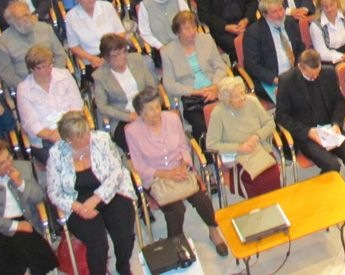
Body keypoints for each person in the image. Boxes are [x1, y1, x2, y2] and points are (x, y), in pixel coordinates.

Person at [125, 86, 228, 254]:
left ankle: (213, 231)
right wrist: (166, 174)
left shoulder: (172, 119)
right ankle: (176, 242)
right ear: (140, 113)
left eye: (157, 106)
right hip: (157, 177)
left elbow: (183, 147)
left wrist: (183, 165)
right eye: (150, 109)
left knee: (201, 199)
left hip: (180, 169)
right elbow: (138, 165)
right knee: (176, 209)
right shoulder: (132, 131)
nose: (157, 112)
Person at [276, 49, 345, 223]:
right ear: (300, 67)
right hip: (308, 134)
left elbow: (339, 101)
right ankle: (326, 197)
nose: (315, 78)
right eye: (311, 76)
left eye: (317, 74)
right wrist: (308, 132)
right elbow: (282, 116)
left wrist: (336, 124)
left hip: (331, 129)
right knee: (332, 165)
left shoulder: (328, 73)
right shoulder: (287, 81)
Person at [46, 110, 136, 275]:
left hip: (109, 191)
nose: (88, 137)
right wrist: (78, 207)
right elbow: (53, 191)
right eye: (81, 136)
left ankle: (123, 267)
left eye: (87, 131)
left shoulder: (102, 139)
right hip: (77, 201)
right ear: (68, 140)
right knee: (98, 244)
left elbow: (117, 172)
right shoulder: (56, 154)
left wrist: (96, 198)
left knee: (124, 234)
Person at [0, 138, 58, 275]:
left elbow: (39, 196)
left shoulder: (24, 167)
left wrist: (21, 183)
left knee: (27, 248)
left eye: (9, 157)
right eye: (2, 162)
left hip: (25, 220)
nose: (9, 163)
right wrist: (15, 226)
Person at [206, 76, 281, 198]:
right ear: (227, 99)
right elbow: (211, 144)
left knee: (273, 174)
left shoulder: (252, 101)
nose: (242, 98)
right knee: (257, 180)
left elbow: (270, 123)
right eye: (237, 96)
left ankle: (275, 204)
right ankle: (259, 206)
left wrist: (256, 136)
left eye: (243, 93)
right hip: (237, 156)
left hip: (260, 149)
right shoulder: (218, 113)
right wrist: (239, 148)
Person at [160, 10, 227, 144]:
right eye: (187, 28)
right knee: (201, 125)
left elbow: (220, 66)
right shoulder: (167, 52)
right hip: (191, 98)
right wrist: (195, 91)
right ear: (178, 31)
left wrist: (215, 86)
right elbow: (169, 84)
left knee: (229, 114)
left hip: (214, 89)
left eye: (194, 26)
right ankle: (209, 153)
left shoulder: (206, 39)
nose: (192, 31)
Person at [18, 46, 84, 163]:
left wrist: (66, 131)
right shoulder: (24, 89)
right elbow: (31, 123)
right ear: (32, 69)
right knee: (63, 163)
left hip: (71, 129)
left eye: (50, 64)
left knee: (87, 156)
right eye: (42, 67)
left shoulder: (64, 76)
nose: (48, 69)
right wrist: (52, 135)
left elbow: (77, 105)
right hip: (45, 139)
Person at [92, 34, 156, 150]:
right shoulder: (100, 76)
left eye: (124, 52)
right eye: (116, 55)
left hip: (145, 106)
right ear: (106, 58)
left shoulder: (136, 59)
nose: (123, 57)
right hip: (122, 116)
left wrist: (145, 108)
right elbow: (102, 106)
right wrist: (128, 117)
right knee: (137, 142)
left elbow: (151, 86)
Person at [243, 0, 305, 103]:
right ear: (264, 14)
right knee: (296, 99)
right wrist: (275, 79)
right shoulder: (254, 33)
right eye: (275, 12)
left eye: (281, 9)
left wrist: (299, 67)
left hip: (294, 74)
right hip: (271, 80)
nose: (280, 15)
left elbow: (300, 48)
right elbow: (252, 65)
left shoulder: (290, 22)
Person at [0, 1, 66, 88]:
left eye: (27, 15)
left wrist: (55, 77)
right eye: (19, 18)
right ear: (11, 21)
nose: (25, 20)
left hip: (54, 80)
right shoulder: (2, 43)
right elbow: (7, 73)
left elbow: (60, 55)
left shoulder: (45, 29)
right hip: (26, 86)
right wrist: (26, 87)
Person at [66, 0, 126, 69]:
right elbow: (74, 46)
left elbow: (120, 33)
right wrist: (92, 59)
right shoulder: (71, 17)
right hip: (92, 60)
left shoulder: (107, 6)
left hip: (114, 54)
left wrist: (111, 55)